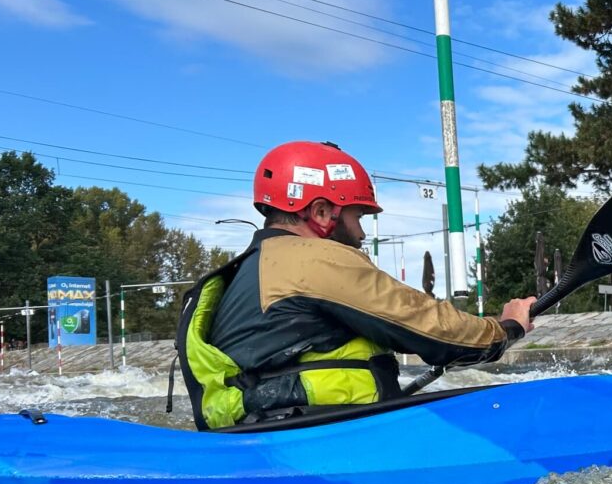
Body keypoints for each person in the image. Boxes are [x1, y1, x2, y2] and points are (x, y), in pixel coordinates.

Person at [177, 140, 535, 430]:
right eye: (358, 216)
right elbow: (433, 328)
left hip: (274, 434)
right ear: (320, 213)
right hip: (310, 440)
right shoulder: (311, 260)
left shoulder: (251, 268)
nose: (362, 233)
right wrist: (506, 328)